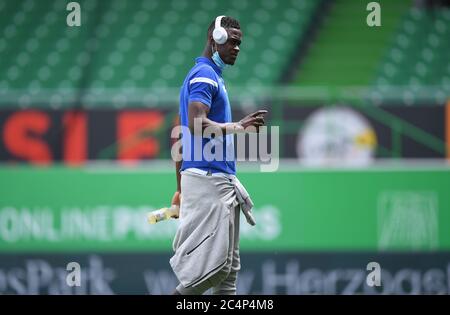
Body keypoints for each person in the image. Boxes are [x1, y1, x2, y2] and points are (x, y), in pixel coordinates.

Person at [169, 15, 268, 295]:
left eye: (240, 44)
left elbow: (178, 135)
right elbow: (196, 126)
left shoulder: (205, 75)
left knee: (229, 272)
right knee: (216, 269)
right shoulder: (204, 76)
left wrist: (179, 188)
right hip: (209, 179)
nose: (237, 48)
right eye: (233, 42)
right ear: (216, 39)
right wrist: (239, 126)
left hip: (212, 178)